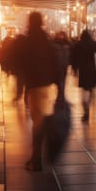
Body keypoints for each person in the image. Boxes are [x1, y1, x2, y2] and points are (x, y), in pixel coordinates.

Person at [21, 12, 61, 171]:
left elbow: (20, 61)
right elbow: (56, 63)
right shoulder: (47, 41)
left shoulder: (27, 41)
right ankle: (37, 156)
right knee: (41, 120)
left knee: (38, 122)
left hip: (34, 86)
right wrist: (58, 84)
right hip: (47, 85)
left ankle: (36, 159)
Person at [70, 30, 96, 122]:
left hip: (83, 70)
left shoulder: (78, 45)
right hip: (92, 69)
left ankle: (85, 110)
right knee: (91, 89)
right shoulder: (93, 43)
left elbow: (73, 58)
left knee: (83, 90)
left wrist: (74, 70)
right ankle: (89, 104)